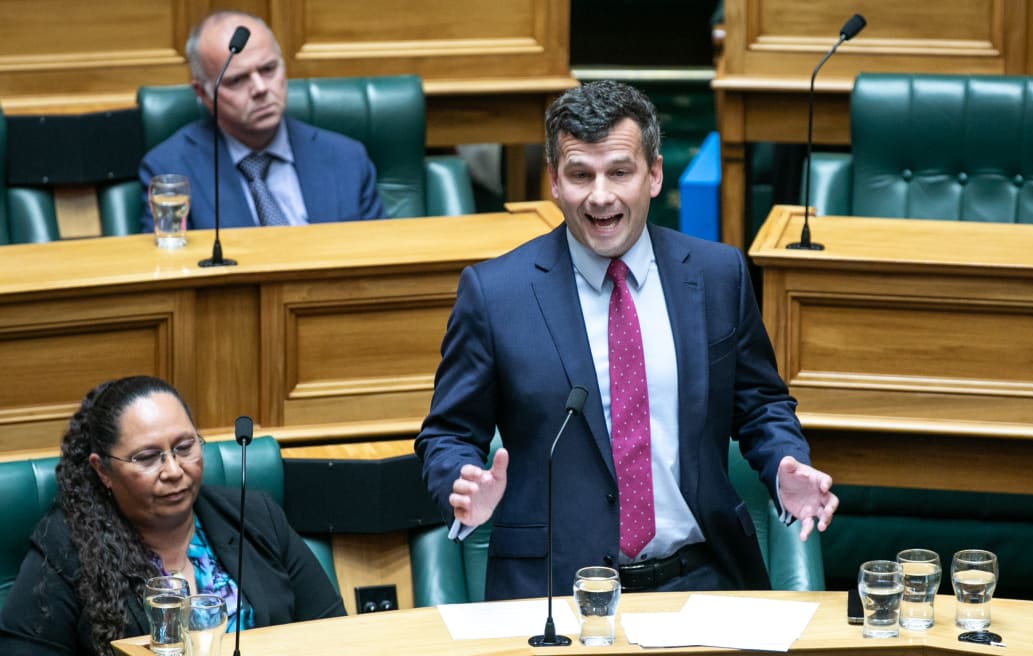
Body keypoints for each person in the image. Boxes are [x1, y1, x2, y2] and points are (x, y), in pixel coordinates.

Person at [415, 80, 839, 601]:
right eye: (579, 174)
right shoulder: (496, 294)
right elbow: (448, 433)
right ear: (553, 180)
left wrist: (782, 466)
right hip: (554, 592)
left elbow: (759, 406)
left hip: (703, 578)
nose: (600, 196)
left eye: (619, 171)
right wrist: (461, 482)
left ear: (654, 174)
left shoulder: (717, 275)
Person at [0, 376, 345, 655]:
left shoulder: (254, 515)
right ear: (103, 471)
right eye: (148, 457)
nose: (174, 470)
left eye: (184, 447)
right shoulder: (66, 547)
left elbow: (335, 633)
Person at [138, 10, 385, 232]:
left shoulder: (346, 158)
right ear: (203, 94)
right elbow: (169, 269)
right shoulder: (170, 171)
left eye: (268, 69)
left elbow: (381, 258)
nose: (260, 88)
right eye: (237, 80)